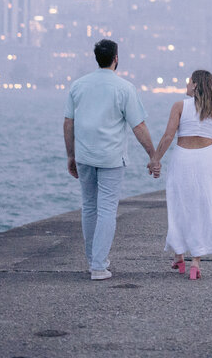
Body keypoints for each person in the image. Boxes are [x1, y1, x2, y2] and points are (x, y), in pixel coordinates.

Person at [63, 38, 159, 280]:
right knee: (106, 209)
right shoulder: (124, 88)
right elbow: (138, 126)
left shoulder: (78, 86)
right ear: (116, 58)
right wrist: (152, 155)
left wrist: (70, 155)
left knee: (89, 207)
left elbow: (68, 122)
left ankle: (92, 260)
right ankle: (98, 266)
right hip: (111, 158)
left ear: (97, 58)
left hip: (84, 156)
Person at [151, 68, 212, 280]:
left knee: (179, 205)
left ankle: (179, 255)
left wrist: (156, 159)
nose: (186, 86)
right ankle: (195, 262)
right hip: (208, 160)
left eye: (189, 82)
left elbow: (168, 136)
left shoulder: (179, 106)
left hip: (183, 159)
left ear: (195, 85)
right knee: (202, 208)